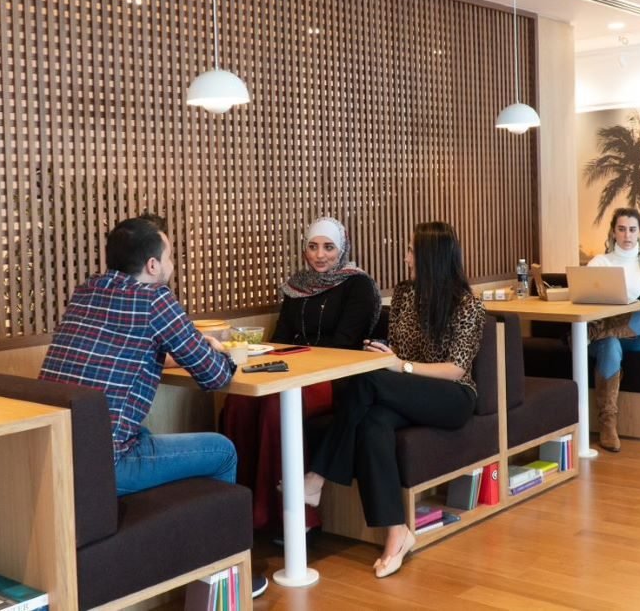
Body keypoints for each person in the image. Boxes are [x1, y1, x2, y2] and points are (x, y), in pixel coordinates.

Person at [38, 214, 268, 597]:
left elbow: (124, 349)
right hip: (109, 465)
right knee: (223, 451)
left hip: (59, 452)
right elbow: (215, 377)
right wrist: (222, 353)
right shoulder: (154, 299)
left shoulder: (87, 291)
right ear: (152, 265)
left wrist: (176, 353)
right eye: (170, 256)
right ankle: (224, 574)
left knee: (142, 432)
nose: (172, 265)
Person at [302, 222, 484, 578]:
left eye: (411, 251)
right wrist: (388, 356)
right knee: (372, 424)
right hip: (407, 388)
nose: (406, 258)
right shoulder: (403, 294)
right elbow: (399, 349)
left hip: (453, 397)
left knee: (367, 381)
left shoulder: (468, 303)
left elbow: (456, 369)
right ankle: (397, 533)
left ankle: (319, 475)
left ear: (430, 257)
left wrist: (401, 366)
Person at [218, 217, 381, 531]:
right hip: (295, 371)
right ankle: (241, 514)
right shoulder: (297, 286)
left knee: (276, 404)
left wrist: (297, 358)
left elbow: (344, 344)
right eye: (313, 247)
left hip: (337, 377)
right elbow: (280, 338)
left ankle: (288, 518)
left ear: (342, 249)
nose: (320, 255)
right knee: (239, 401)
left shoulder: (357, 284)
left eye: (328, 247)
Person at [587, 208, 640, 453]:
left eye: (632, 229)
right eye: (621, 229)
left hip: (638, 335)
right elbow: (585, 302)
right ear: (613, 232)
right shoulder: (599, 263)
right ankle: (608, 425)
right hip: (607, 339)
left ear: (639, 232)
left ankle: (595, 333)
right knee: (610, 343)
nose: (627, 235)